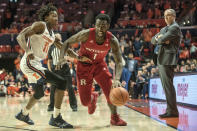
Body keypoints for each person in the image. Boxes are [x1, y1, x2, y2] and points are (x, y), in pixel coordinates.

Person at [58, 13, 127, 126]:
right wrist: (61, 58)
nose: (100, 28)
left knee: (111, 90)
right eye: (98, 25)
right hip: (83, 66)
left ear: (108, 26)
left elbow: (119, 61)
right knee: (85, 102)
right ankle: (92, 97)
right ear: (95, 24)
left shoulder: (112, 40)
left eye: (103, 26)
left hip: (99, 65)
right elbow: (66, 42)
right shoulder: (86, 34)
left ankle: (114, 118)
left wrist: (117, 79)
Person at [15, 4, 73, 128]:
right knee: (61, 83)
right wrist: (27, 50)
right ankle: (56, 118)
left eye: (57, 16)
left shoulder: (52, 35)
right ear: (46, 17)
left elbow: (63, 47)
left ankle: (23, 114)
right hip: (29, 63)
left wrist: (78, 57)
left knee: (40, 93)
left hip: (36, 64)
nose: (57, 19)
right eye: (54, 16)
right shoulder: (40, 25)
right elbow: (20, 36)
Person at [151, 9, 182, 118]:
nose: (166, 18)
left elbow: (161, 39)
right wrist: (161, 38)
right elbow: (152, 40)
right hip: (161, 58)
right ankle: (171, 110)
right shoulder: (164, 28)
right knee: (166, 86)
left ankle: (172, 111)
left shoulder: (175, 27)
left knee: (168, 86)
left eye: (168, 15)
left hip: (167, 59)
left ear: (174, 16)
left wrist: (161, 38)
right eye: (164, 16)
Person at [47, 33, 77, 112]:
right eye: (55, 37)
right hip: (55, 70)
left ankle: (74, 106)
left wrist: (66, 59)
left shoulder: (65, 46)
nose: (57, 38)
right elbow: (49, 61)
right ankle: (51, 106)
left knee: (70, 88)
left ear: (61, 38)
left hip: (65, 69)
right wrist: (50, 70)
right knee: (53, 88)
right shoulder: (51, 47)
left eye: (58, 37)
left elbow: (71, 57)